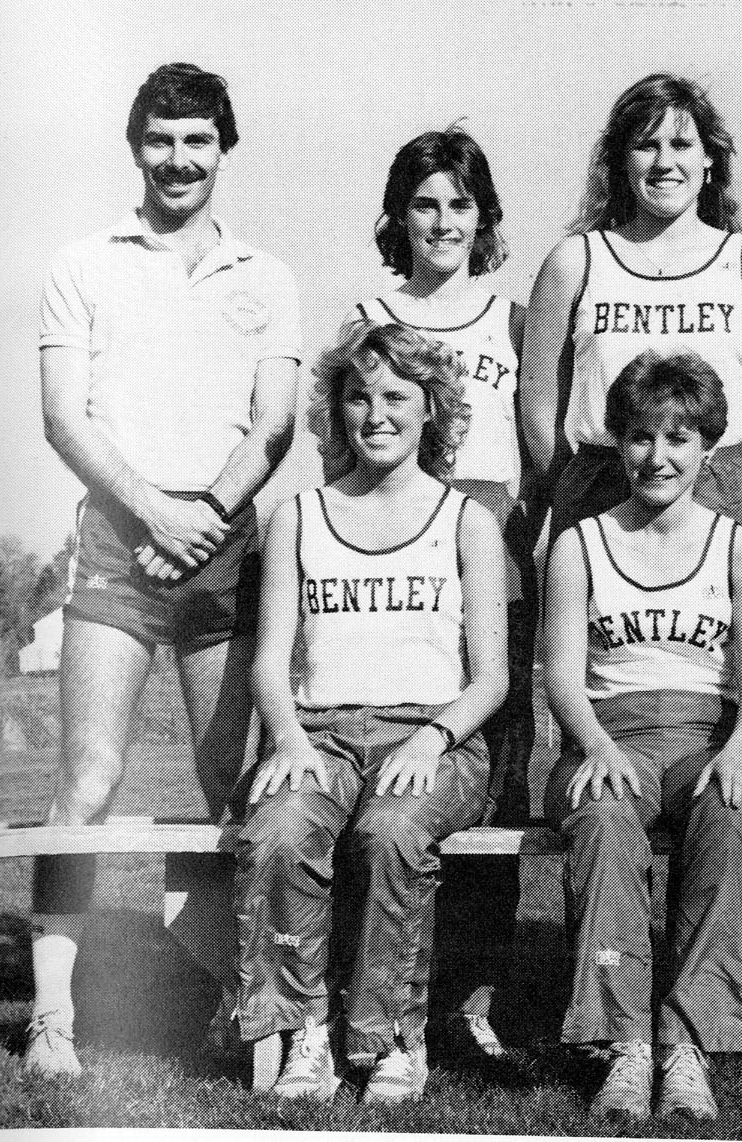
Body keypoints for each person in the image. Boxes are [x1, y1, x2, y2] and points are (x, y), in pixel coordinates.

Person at [29, 63, 300, 1077]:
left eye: (197, 140)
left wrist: (206, 515)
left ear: (223, 148)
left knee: (231, 784)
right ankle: (52, 1016)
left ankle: (245, 999)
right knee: (87, 779)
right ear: (135, 145)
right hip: (116, 542)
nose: (179, 159)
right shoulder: (82, 261)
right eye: (160, 138)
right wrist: (152, 511)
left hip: (226, 548)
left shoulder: (264, 275)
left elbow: (273, 424)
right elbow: (65, 415)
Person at [236, 321, 509, 1103]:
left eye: (397, 396)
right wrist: (285, 734)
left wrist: (432, 737)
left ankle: (393, 1035)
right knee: (282, 828)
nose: (377, 414)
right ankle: (306, 1031)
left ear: (433, 410)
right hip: (317, 730)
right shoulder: (300, 514)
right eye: (359, 397)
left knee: (390, 831)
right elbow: (269, 659)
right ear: (338, 410)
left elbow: (489, 679)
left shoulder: (467, 522)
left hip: (432, 736)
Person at [341, 127, 538, 1060]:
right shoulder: (369, 309)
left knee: (492, 777)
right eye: (425, 203)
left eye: (460, 203)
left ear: (484, 217)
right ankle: (375, 984)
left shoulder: (513, 316)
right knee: (392, 764)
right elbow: (342, 444)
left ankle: (472, 997)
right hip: (392, 549)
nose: (443, 221)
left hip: (492, 540)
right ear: (398, 216)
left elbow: (542, 448)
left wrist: (511, 536)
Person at [542, 351, 742, 1122]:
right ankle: (621, 1044)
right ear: (618, 442)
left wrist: (738, 751)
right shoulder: (581, 543)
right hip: (606, 737)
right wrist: (598, 748)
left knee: (731, 815)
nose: (658, 456)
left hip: (706, 740)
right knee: (606, 820)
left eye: (678, 439)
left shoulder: (737, 544)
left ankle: (685, 1044)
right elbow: (561, 674)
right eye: (641, 437)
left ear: (708, 447)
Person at [519, 72, 742, 551]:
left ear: (709, 158)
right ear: (621, 162)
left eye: (682, 144)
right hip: (602, 488)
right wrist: (580, 494)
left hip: (717, 487)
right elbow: (538, 413)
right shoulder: (575, 262)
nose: (665, 162)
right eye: (646, 145)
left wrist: (733, 497)